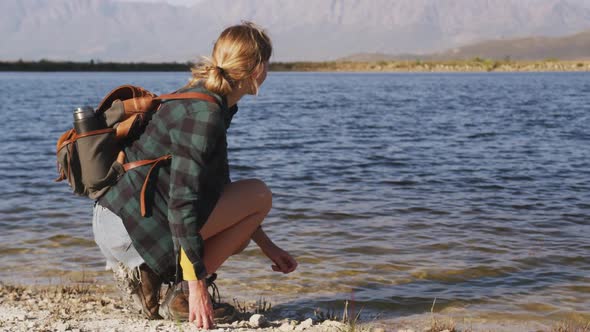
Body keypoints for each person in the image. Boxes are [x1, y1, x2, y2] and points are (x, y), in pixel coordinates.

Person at [92, 21, 298, 329]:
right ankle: (180, 295)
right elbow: (182, 203)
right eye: (267, 63)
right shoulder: (206, 116)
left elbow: (214, 191)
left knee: (241, 229)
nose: (268, 71)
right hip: (130, 231)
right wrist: (197, 287)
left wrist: (267, 246)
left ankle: (156, 279)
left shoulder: (204, 99)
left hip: (118, 221)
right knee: (259, 194)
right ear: (256, 70)